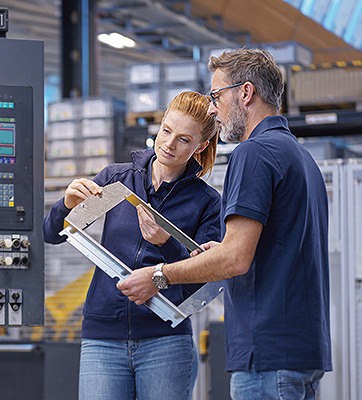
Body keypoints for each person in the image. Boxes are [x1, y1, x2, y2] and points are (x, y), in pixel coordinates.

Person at [117, 48, 332, 400]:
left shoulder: (253, 153)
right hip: (303, 350)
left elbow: (235, 259)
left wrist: (159, 275)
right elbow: (272, 246)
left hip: (265, 354)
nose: (212, 108)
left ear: (245, 93)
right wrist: (225, 247)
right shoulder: (301, 157)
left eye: (216, 95)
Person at [43, 91, 221, 400]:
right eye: (166, 130)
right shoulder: (117, 179)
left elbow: (204, 279)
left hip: (165, 341)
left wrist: (165, 244)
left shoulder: (207, 202)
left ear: (200, 146)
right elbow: (53, 234)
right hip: (103, 340)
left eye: (183, 139)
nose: (169, 144)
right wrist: (66, 204)